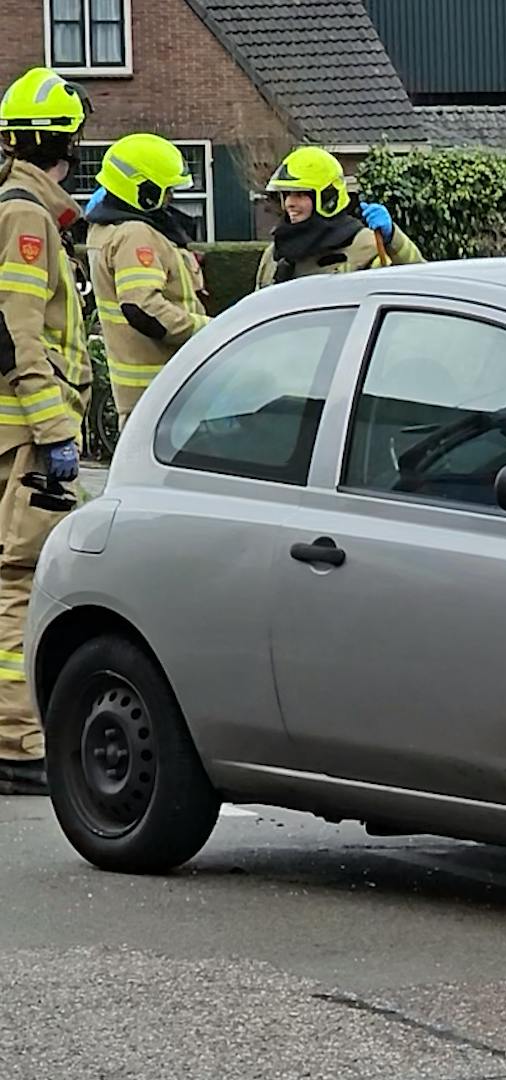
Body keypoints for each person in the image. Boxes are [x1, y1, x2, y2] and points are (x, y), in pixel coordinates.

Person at [0, 68, 92, 795]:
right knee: (21, 582)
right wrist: (55, 426)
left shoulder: (19, 207)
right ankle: (19, 742)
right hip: (27, 436)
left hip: (13, 432)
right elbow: (19, 332)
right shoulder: (26, 217)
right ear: (67, 143)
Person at [87, 133, 209, 419]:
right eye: (165, 190)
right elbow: (142, 307)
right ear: (143, 189)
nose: (171, 198)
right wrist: (207, 330)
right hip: (163, 391)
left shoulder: (105, 230)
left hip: (143, 396)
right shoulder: (134, 234)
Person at [255, 147, 422, 289]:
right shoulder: (274, 254)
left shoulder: (362, 245)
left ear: (327, 198)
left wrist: (393, 239)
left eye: (299, 195)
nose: (290, 203)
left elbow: (417, 285)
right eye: (287, 195)